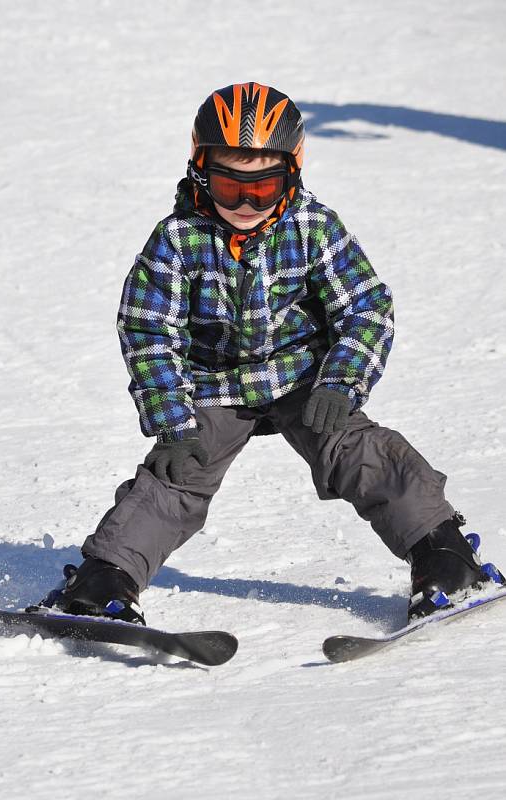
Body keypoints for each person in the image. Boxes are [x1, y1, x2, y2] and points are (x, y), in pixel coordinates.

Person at [35, 82, 497, 626]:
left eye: (266, 186)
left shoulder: (313, 227)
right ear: (201, 173)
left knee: (355, 449)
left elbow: (366, 308)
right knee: (179, 472)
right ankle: (105, 578)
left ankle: (444, 555)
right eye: (230, 187)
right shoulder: (178, 239)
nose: (247, 204)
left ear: (293, 174)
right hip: (213, 386)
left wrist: (340, 381)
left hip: (303, 377)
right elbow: (147, 329)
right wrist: (172, 419)